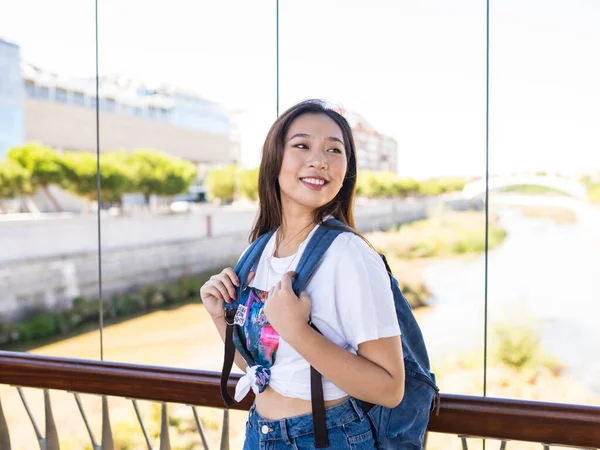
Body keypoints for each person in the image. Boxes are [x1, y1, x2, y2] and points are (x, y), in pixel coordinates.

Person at [200, 99, 404, 449]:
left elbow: (389, 389)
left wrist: (295, 330)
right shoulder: (260, 251)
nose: (320, 160)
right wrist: (220, 317)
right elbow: (264, 371)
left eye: (334, 150)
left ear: (346, 169)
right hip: (259, 433)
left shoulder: (349, 253)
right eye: (302, 145)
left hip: (325, 438)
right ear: (274, 159)